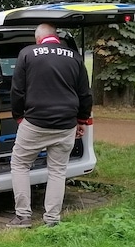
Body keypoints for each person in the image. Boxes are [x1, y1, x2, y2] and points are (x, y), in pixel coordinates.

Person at [7, 23, 93, 228]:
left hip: (35, 122)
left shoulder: (27, 54)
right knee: (57, 171)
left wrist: (19, 116)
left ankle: (23, 216)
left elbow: (17, 90)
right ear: (56, 37)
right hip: (66, 124)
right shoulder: (74, 57)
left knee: (20, 165)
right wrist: (82, 120)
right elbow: (85, 93)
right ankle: (52, 219)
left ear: (38, 40)